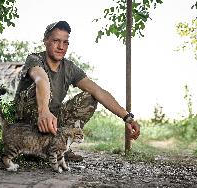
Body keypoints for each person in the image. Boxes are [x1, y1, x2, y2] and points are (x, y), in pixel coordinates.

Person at [14, 21, 140, 162]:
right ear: (45, 41)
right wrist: (44, 110)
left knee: (90, 97)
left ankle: (59, 148)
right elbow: (41, 79)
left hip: (53, 123)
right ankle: (32, 148)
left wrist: (127, 117)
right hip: (27, 126)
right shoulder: (34, 59)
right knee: (40, 87)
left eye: (65, 42)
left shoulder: (69, 67)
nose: (61, 47)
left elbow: (98, 91)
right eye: (56, 41)